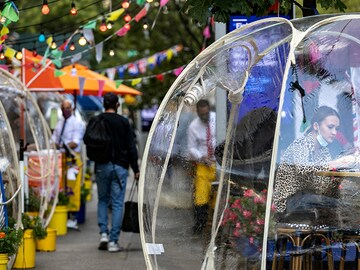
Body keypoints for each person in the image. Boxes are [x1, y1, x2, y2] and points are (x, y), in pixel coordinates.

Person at [273, 106, 357, 224]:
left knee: (341, 206)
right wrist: (334, 164)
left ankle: (339, 237)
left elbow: (322, 186)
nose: (334, 132)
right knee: (328, 206)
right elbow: (303, 169)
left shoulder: (324, 151)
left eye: (336, 128)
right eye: (330, 127)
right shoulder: (300, 144)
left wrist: (339, 176)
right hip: (289, 204)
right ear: (316, 126)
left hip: (307, 201)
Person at [90, 92, 140, 252]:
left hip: (101, 166)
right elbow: (131, 147)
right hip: (120, 167)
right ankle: (113, 241)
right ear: (117, 105)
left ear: (104, 105)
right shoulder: (123, 122)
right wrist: (136, 169)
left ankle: (103, 233)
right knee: (118, 203)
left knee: (103, 200)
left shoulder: (97, 120)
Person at [51, 99, 85, 229]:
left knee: (72, 188)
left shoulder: (77, 123)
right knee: (61, 187)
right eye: (63, 108)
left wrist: (61, 145)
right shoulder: (59, 123)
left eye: (68, 108)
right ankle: (63, 213)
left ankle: (73, 217)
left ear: (72, 109)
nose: (66, 110)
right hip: (60, 158)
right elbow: (53, 138)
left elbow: (75, 142)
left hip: (72, 159)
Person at [187, 99, 216, 234]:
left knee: (217, 196)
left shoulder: (218, 119)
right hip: (203, 165)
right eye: (202, 114)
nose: (205, 116)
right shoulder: (193, 126)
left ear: (209, 110)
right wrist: (201, 156)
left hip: (217, 163)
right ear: (198, 113)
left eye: (206, 113)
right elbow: (191, 148)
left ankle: (217, 225)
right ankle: (200, 224)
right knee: (201, 196)